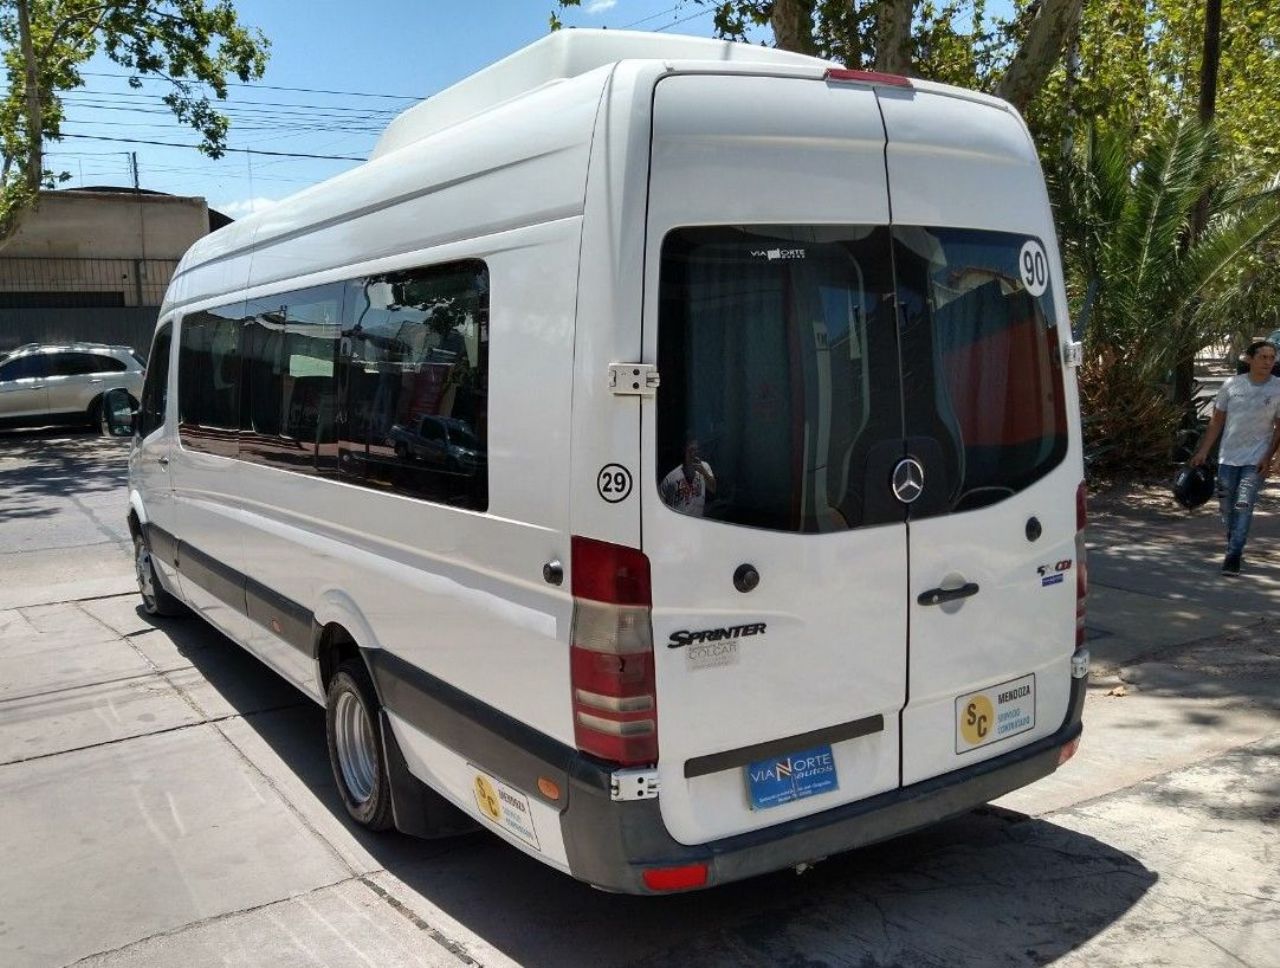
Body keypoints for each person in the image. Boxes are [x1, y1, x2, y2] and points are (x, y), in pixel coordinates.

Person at [1191, 339, 1280, 575]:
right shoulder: (1231, 385)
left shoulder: (1278, 388)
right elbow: (1217, 420)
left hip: (1256, 459)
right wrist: (1202, 451)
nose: (1268, 362)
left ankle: (1233, 555)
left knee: (1243, 504)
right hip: (1227, 458)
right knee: (1227, 507)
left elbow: (1279, 428)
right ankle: (1234, 540)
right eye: (1263, 357)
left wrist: (1271, 457)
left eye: (1272, 358)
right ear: (1250, 359)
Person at [661, 436, 717, 517]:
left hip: (698, 522)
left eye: (696, 450)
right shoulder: (671, 478)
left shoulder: (705, 466)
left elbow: (713, 489)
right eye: (691, 450)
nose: (694, 453)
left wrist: (703, 472)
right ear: (685, 452)